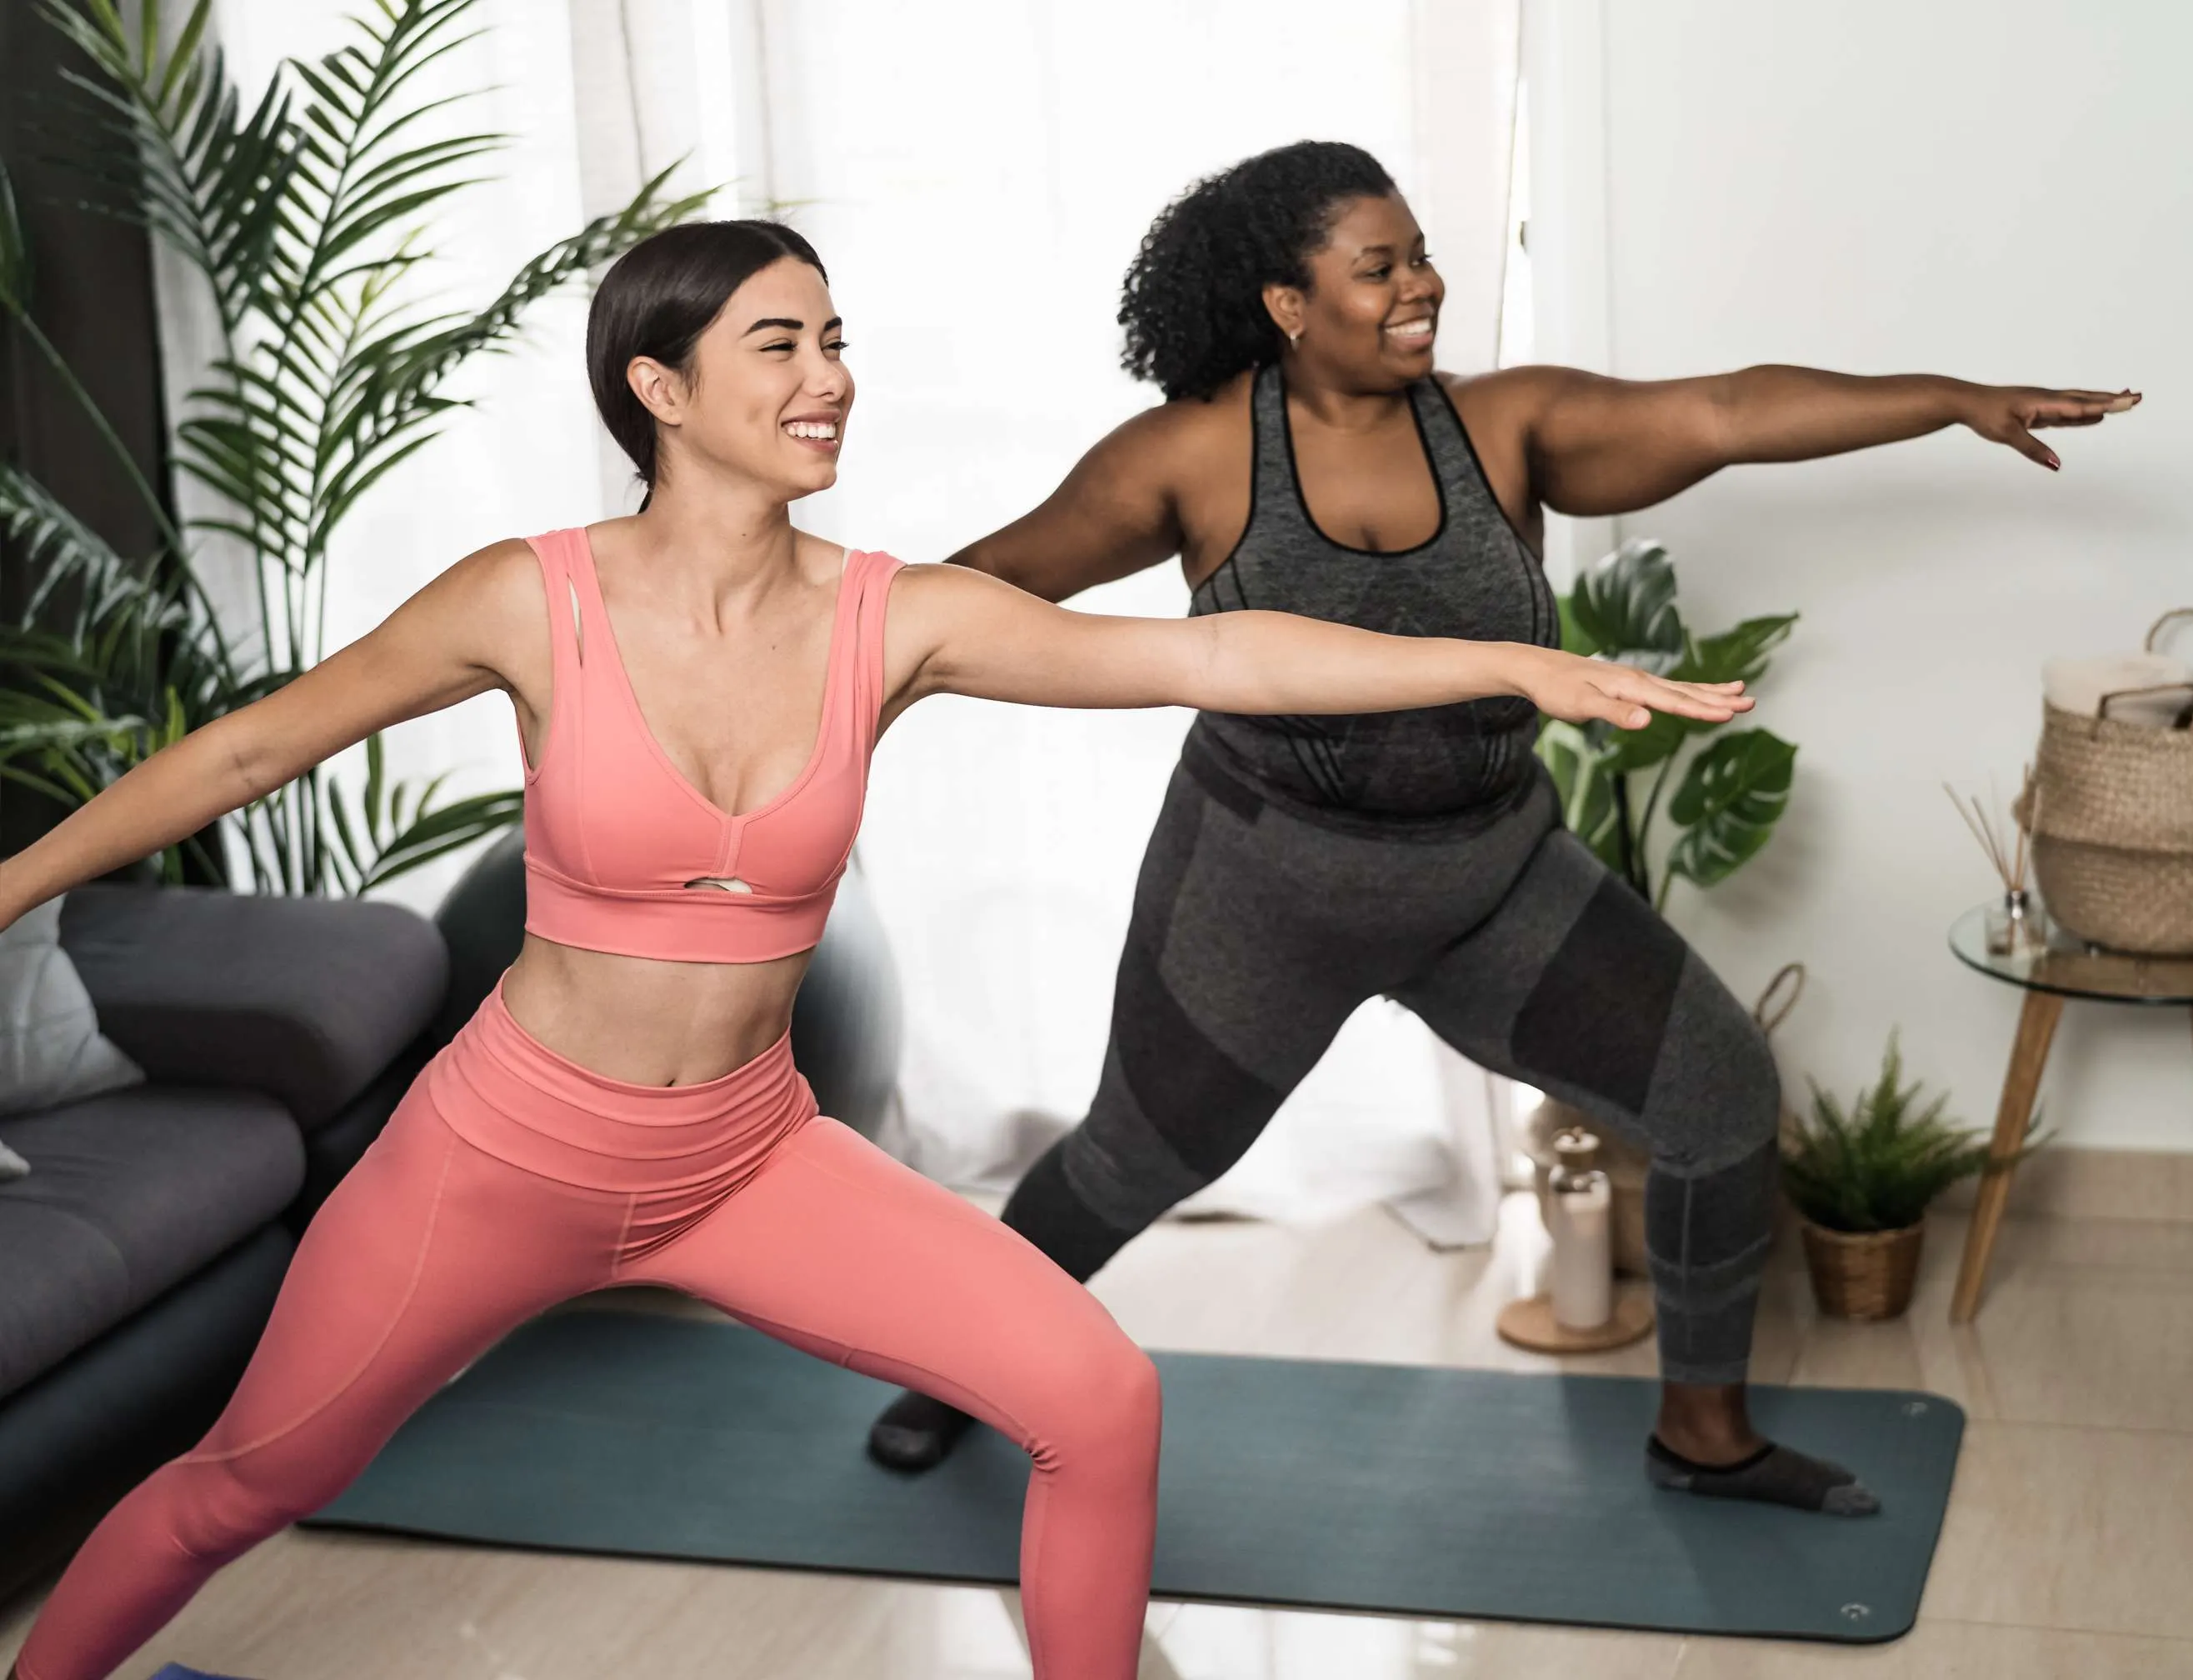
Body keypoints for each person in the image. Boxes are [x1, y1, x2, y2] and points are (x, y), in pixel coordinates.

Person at [0, 220, 1751, 1680]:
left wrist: (1516, 667)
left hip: (744, 1161)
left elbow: (1217, 661)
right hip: (499, 1153)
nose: (829, 375)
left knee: (1097, 1398)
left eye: (836, 337)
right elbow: (244, 754)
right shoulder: (525, 596)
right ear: (660, 389)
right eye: (779, 344)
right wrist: (8, 888)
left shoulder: (890, 619)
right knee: (243, 1485)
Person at [865, 141, 2139, 1515]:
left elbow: (1722, 408)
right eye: (1381, 266)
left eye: (1422, 255)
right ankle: (956, 1368)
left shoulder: (1504, 425)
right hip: (1262, 890)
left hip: (1491, 881)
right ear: (1287, 304)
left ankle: (1706, 1437)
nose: (1423, 285)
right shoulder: (1190, 456)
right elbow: (976, 595)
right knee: (1131, 1159)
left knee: (1721, 1101)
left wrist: (1949, 401)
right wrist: (801, 691)